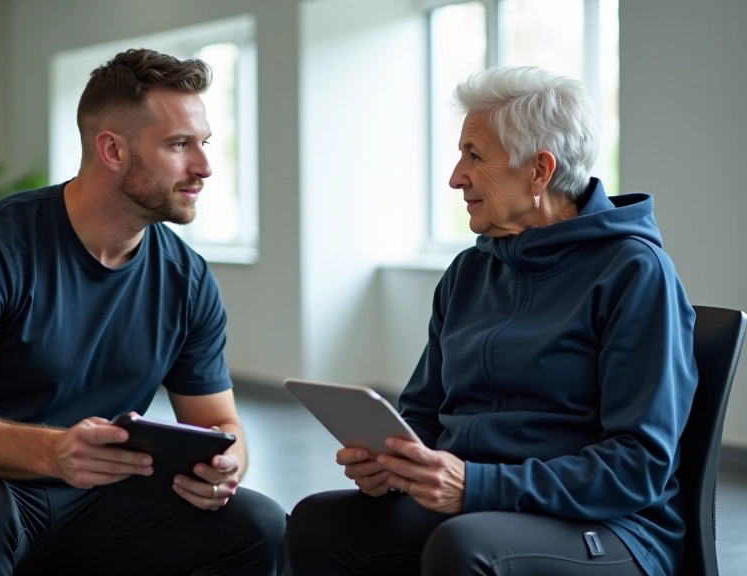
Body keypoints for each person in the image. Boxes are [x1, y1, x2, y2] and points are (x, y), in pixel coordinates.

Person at [0, 48, 286, 576]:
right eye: (179, 145)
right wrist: (54, 452)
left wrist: (227, 468)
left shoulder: (187, 278)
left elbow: (217, 421)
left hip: (99, 498)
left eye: (204, 143)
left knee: (259, 524)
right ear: (113, 150)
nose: (205, 167)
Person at [286, 66, 698, 576]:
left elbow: (638, 466)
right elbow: (424, 413)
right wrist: (394, 463)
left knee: (465, 546)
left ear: (539, 172)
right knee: (317, 524)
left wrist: (476, 485)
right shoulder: (469, 271)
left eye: (474, 156)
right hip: (478, 504)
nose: (456, 176)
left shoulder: (634, 273)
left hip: (613, 526)